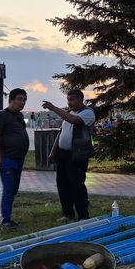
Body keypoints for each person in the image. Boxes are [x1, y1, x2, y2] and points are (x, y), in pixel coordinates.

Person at [43, 90, 96, 222]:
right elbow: (62, 132)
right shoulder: (69, 112)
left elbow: (73, 121)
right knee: (62, 184)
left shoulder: (88, 113)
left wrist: (53, 108)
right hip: (63, 154)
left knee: (76, 184)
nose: (69, 103)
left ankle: (83, 215)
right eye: (68, 100)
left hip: (77, 155)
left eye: (72, 99)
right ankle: (68, 213)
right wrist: (53, 151)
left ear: (81, 99)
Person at [0, 88, 29, 229]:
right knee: (6, 189)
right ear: (11, 100)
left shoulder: (19, 116)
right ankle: (4, 221)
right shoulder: (2, 115)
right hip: (5, 159)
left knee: (13, 189)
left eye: (24, 100)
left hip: (18, 158)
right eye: (19, 99)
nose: (22, 102)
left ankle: (7, 216)